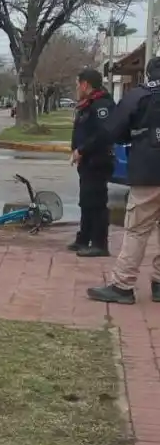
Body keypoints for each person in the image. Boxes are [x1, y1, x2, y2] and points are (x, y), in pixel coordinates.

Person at [87, 57, 160, 304]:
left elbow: (114, 130)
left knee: (137, 230)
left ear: (148, 74)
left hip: (149, 171)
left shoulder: (139, 95)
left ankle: (123, 285)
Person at [69, 68, 116, 258]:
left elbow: (103, 134)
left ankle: (99, 243)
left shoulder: (102, 105)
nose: (76, 89)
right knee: (86, 201)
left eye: (77, 84)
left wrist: (82, 150)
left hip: (98, 160)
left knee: (97, 202)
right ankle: (84, 238)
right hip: (87, 161)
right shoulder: (88, 104)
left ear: (85, 85)